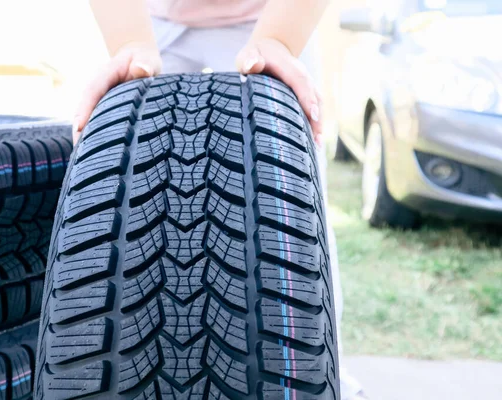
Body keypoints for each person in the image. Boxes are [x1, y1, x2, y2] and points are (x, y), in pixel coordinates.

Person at [74, 1, 366, 399]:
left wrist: (278, 38)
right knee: (116, 196)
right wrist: (128, 41)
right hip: (151, 19)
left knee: (293, 205)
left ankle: (320, 371)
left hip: (270, 15)